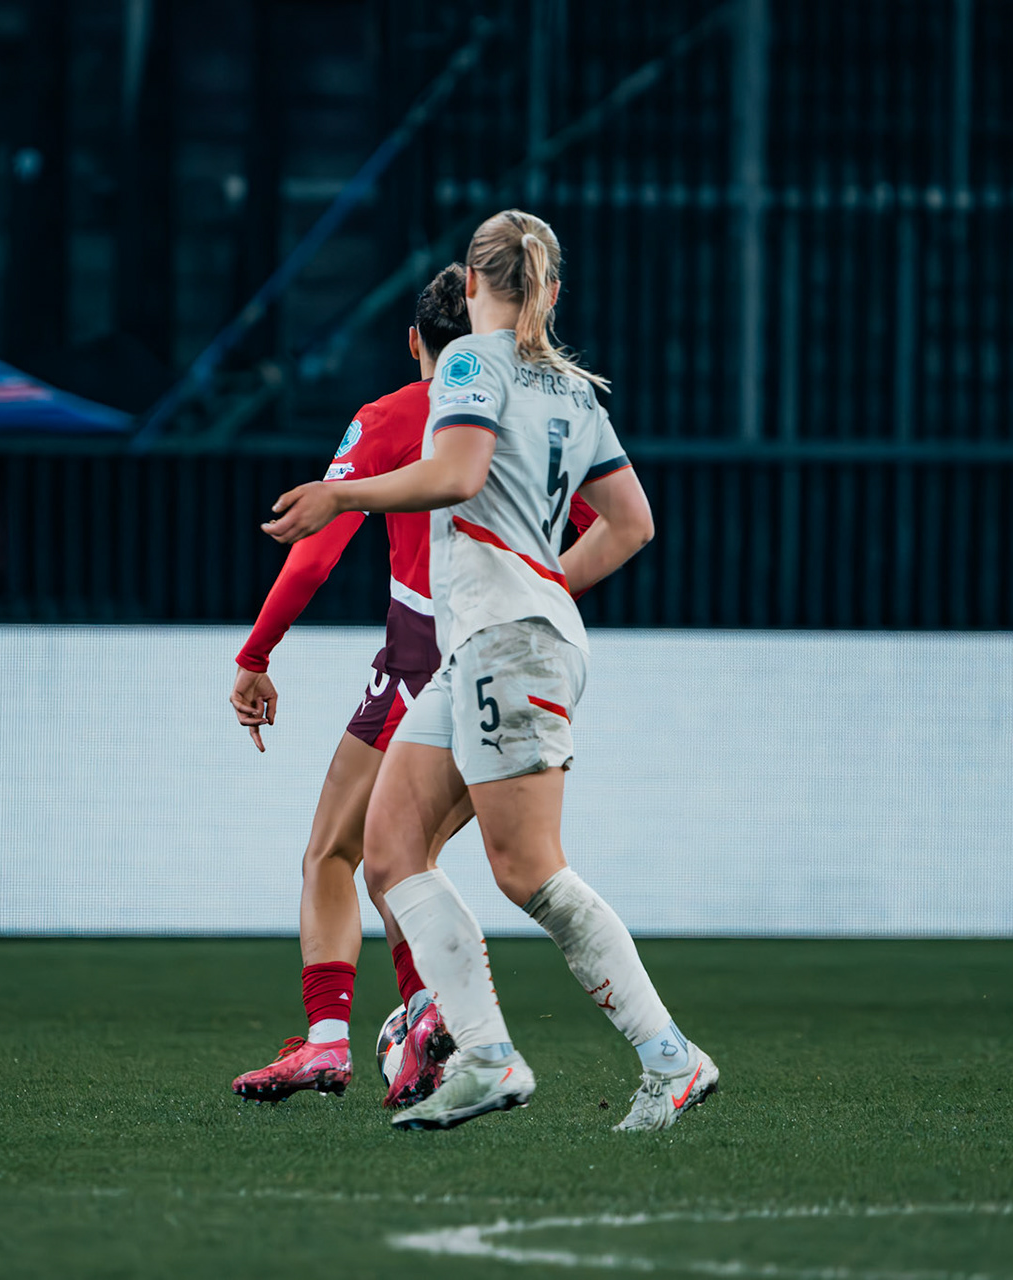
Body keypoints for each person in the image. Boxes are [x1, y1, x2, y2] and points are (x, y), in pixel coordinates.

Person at [263, 209, 719, 1133]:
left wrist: (342, 493)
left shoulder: (472, 361)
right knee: (390, 849)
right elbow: (632, 526)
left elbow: (460, 473)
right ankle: (487, 1056)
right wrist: (547, 586)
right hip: (491, 641)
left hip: (504, 641)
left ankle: (670, 1057)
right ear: (549, 289)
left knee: (528, 871)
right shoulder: (577, 391)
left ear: (472, 286)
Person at [228, 264, 478, 1109]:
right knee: (408, 856)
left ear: (414, 340)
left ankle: (341, 1037)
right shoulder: (528, 423)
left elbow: (318, 543)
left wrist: (257, 654)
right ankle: (421, 1022)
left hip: (419, 658)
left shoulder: (394, 418)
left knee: (339, 850)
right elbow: (592, 533)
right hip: (513, 662)